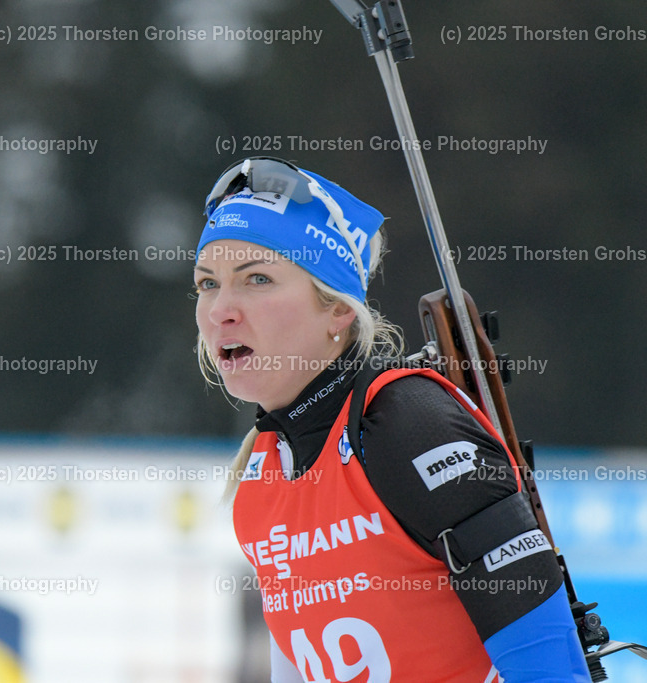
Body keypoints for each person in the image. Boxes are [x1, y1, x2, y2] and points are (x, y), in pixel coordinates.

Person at [193, 157, 591, 682]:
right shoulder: (260, 479)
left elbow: (551, 667)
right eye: (206, 284)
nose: (221, 309)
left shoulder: (407, 424)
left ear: (337, 310)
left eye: (257, 278)